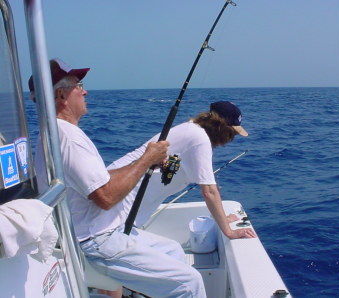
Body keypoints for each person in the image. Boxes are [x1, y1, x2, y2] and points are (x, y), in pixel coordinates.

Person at [31, 58, 206, 297]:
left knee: (174, 250)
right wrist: (145, 159)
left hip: (101, 232)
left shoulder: (58, 133)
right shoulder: (68, 139)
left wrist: (147, 162)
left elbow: (97, 181)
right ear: (61, 95)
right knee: (189, 282)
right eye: (78, 85)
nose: (85, 91)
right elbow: (106, 196)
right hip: (97, 242)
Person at [108, 101, 257, 239]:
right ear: (220, 126)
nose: (231, 138)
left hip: (122, 211)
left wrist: (223, 218)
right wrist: (229, 232)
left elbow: (194, 177)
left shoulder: (191, 130)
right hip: (116, 212)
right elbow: (209, 191)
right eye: (232, 133)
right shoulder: (200, 139)